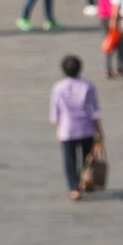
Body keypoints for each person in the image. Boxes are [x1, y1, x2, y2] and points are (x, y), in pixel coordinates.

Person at [51, 55, 104, 195]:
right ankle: (85, 180)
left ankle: (74, 188)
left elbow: (55, 112)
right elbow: (94, 111)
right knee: (87, 159)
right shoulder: (88, 86)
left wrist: (57, 129)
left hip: (67, 129)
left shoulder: (58, 88)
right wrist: (100, 133)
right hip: (86, 128)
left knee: (70, 161)